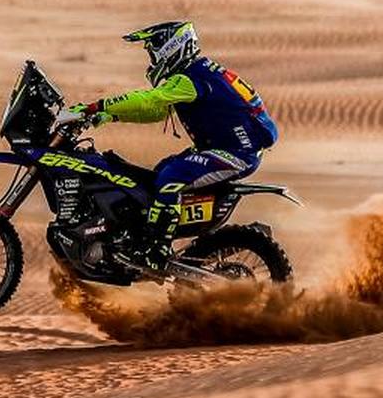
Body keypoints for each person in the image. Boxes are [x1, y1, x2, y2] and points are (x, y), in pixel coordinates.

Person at [66, 20, 278, 271]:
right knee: (159, 173)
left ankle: (157, 249)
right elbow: (156, 110)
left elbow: (150, 100)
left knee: (171, 176)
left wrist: (98, 106)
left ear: (171, 46)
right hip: (226, 148)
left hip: (236, 153)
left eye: (153, 49)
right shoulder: (196, 72)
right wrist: (109, 116)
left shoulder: (191, 78)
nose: (152, 58)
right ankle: (146, 239)